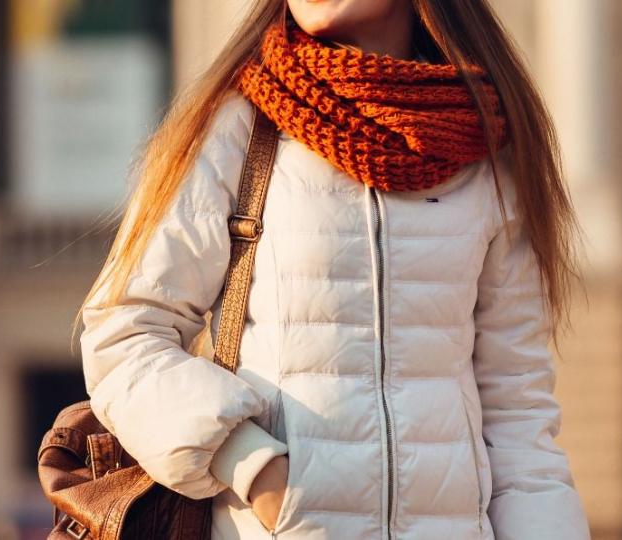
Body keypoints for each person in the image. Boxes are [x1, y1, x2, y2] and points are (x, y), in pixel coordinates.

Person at [76, 0, 591, 538]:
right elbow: (124, 336)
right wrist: (257, 471)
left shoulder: (484, 149)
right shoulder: (237, 129)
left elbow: (517, 414)